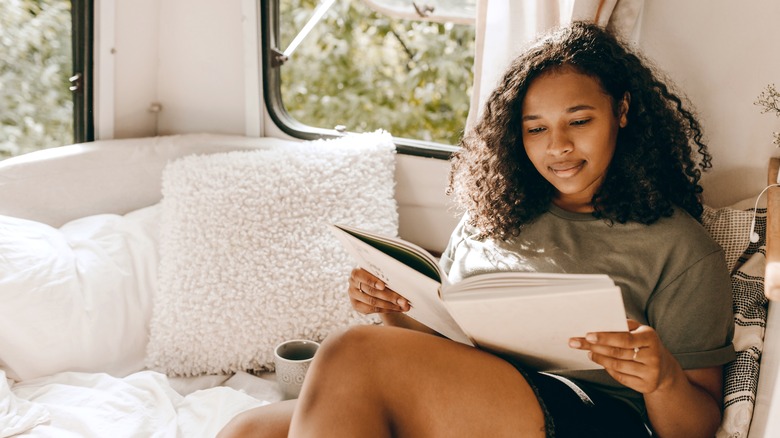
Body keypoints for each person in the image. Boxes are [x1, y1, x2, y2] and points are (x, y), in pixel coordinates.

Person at [218, 21, 735, 437]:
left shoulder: (680, 247)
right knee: (246, 430)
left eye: (579, 121)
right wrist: (393, 309)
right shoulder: (494, 216)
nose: (557, 146)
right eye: (536, 129)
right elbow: (440, 348)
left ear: (621, 112)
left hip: (588, 413)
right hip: (475, 401)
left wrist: (662, 378)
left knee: (352, 352)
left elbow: (698, 426)